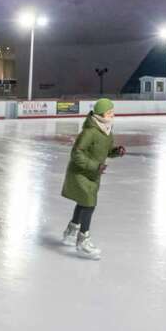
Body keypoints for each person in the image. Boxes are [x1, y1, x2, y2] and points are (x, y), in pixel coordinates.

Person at [61, 99, 126, 259]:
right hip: (80, 172)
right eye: (110, 112)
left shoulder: (107, 130)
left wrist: (116, 152)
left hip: (93, 173)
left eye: (112, 111)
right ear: (101, 113)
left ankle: (71, 231)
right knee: (89, 203)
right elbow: (76, 153)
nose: (113, 114)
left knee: (84, 202)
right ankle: (83, 239)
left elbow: (105, 151)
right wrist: (94, 166)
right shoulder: (89, 131)